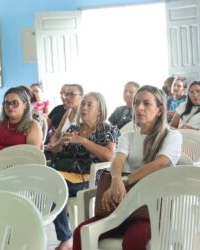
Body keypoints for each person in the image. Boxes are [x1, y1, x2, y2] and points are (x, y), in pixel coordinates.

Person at [72, 85, 182, 250]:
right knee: (81, 232)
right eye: (137, 103)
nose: (139, 108)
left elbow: (160, 163)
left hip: (151, 211)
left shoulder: (172, 136)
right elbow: (118, 160)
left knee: (134, 239)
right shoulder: (128, 136)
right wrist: (116, 179)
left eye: (146, 103)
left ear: (159, 110)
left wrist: (125, 181)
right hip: (121, 208)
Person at [48, 92, 119, 250]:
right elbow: (56, 150)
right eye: (83, 104)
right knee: (50, 187)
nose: (84, 108)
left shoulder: (107, 129)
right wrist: (60, 143)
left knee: (57, 190)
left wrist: (83, 141)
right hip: (68, 173)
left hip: (93, 178)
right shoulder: (74, 128)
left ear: (99, 110)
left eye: (89, 105)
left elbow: (109, 156)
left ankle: (66, 239)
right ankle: (66, 236)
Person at [0, 87, 43, 164]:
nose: (10, 106)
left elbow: (32, 155)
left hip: (18, 171)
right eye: (7, 103)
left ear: (25, 105)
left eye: (15, 103)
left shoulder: (33, 126)